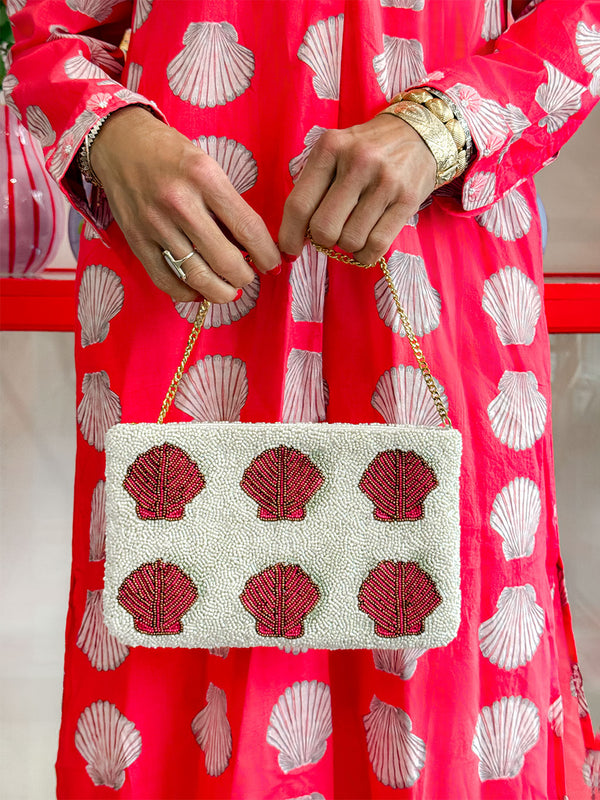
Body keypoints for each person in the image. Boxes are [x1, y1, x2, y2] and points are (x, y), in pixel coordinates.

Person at [6, 0, 600, 797]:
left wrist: (447, 122)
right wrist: (109, 132)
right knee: (168, 663)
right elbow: (46, 24)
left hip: (435, 272)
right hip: (186, 264)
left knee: (442, 684)